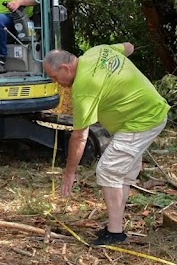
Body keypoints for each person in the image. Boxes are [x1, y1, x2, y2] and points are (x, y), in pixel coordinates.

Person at [43, 43, 169, 246]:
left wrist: (69, 173)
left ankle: (115, 233)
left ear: (65, 68)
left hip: (142, 121)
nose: (57, 83)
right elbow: (129, 47)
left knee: (108, 170)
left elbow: (79, 136)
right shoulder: (98, 51)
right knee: (121, 173)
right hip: (150, 112)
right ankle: (115, 225)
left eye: (55, 78)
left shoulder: (84, 88)